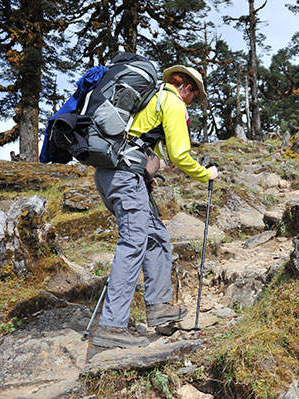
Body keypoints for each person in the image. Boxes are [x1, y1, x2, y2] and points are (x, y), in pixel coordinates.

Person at [91, 65, 219, 348]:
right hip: (124, 176)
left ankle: (159, 307)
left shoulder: (153, 100)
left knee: (156, 237)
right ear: (186, 87)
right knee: (134, 242)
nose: (192, 103)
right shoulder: (172, 101)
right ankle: (112, 326)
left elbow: (148, 147)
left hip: (115, 174)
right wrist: (205, 173)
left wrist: (146, 173)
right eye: (194, 97)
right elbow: (180, 155)